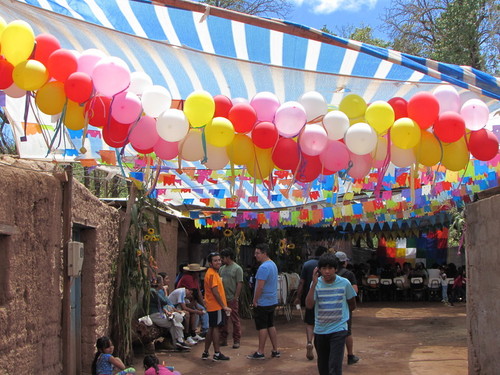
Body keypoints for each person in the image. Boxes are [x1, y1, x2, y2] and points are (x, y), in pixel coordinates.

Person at [306, 253, 357, 375]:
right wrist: (313, 284)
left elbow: (352, 304)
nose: (327, 271)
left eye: (330, 268)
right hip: (320, 330)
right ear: (319, 270)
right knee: (323, 367)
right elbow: (309, 305)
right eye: (324, 268)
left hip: (338, 330)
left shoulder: (345, 283)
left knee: (334, 366)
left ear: (336, 269)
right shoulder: (316, 283)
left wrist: (343, 317)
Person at [294, 245, 327, 360]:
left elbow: (301, 283)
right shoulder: (327, 266)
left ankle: (309, 342)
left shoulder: (307, 264)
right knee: (323, 321)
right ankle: (323, 347)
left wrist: (298, 297)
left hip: (310, 297)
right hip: (324, 298)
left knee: (309, 322)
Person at [247, 243, 280, 360]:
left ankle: (260, 351)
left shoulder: (264, 267)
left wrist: (255, 300)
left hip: (263, 301)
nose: (255, 255)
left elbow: (259, 286)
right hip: (272, 300)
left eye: (258, 253)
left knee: (262, 326)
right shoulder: (273, 264)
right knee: (270, 324)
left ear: (264, 253)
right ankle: (275, 350)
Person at [201, 252, 232, 361]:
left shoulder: (212, 273)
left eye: (219, 260)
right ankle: (217, 353)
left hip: (212, 305)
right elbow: (215, 292)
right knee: (215, 328)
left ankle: (206, 352)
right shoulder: (212, 274)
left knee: (211, 327)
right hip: (215, 306)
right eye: (215, 260)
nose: (218, 262)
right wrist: (224, 306)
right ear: (210, 263)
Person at [149, 276, 191, 350]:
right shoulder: (153, 291)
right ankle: (179, 341)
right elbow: (164, 301)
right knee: (174, 321)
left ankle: (177, 343)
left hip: (159, 314)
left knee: (175, 321)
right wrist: (165, 291)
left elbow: (163, 305)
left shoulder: (155, 291)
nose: (163, 284)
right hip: (155, 315)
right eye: (162, 282)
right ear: (158, 284)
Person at [335, 251, 360, 365]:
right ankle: (350, 355)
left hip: (330, 308)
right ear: (344, 262)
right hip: (345, 307)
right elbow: (355, 291)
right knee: (347, 332)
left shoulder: (327, 275)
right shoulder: (348, 274)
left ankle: (333, 357)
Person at [219, 248, 244, 349]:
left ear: (228, 257)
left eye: (223, 258)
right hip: (223, 299)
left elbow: (239, 283)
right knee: (223, 320)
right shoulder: (222, 269)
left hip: (231, 298)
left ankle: (236, 340)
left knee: (234, 320)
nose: (221, 260)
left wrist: (235, 297)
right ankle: (223, 339)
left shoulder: (237, 269)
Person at [177, 264, 209, 336]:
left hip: (190, 300)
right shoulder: (187, 278)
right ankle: (200, 330)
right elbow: (194, 293)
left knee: (202, 309)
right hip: (183, 300)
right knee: (198, 311)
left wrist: (203, 304)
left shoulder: (195, 279)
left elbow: (198, 292)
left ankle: (199, 330)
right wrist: (199, 305)